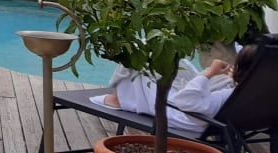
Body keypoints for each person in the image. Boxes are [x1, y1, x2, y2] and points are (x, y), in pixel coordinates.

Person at [97, 46, 257, 136]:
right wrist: (233, 79)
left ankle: (118, 98)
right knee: (172, 60)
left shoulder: (226, 95)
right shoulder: (255, 94)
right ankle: (119, 96)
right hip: (202, 113)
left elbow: (186, 102)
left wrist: (209, 73)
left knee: (142, 54)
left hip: (181, 114)